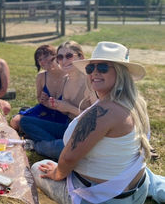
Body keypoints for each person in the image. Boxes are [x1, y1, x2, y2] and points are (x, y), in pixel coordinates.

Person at [32, 41, 150, 203]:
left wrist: (57, 173)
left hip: (103, 198)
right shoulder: (136, 102)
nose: (94, 73)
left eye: (102, 67)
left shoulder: (103, 111)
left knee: (37, 167)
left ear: (121, 72)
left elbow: (68, 160)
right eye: (90, 68)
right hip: (138, 190)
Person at [20, 41, 96, 160]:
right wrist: (53, 105)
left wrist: (68, 107)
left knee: (62, 148)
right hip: (67, 126)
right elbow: (65, 112)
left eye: (69, 56)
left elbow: (96, 120)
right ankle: (55, 146)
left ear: (81, 56)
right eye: (60, 57)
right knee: (25, 121)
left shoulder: (90, 82)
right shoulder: (66, 80)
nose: (64, 61)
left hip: (83, 132)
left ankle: (41, 146)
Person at [10, 44, 67, 131]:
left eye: (46, 56)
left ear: (55, 56)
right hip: (44, 110)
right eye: (40, 59)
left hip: (62, 114)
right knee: (15, 122)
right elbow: (39, 98)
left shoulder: (68, 76)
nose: (43, 61)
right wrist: (42, 99)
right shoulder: (41, 76)